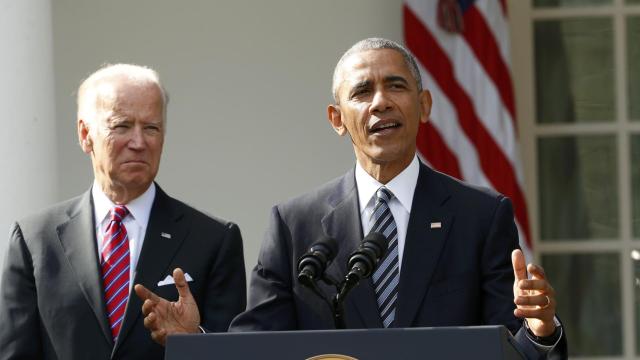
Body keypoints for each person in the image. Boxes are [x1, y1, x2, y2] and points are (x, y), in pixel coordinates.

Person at [137, 38, 567, 358]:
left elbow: (514, 351)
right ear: (337, 119)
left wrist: (541, 328)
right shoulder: (294, 225)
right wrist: (195, 342)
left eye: (395, 87)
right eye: (363, 92)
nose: (381, 102)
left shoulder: (482, 215)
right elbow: (257, 349)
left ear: (424, 106)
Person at [0, 64, 246, 360]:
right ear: (85, 134)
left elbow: (235, 353)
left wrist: (193, 341)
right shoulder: (35, 240)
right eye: (122, 126)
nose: (139, 143)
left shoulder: (213, 240)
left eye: (151, 128)